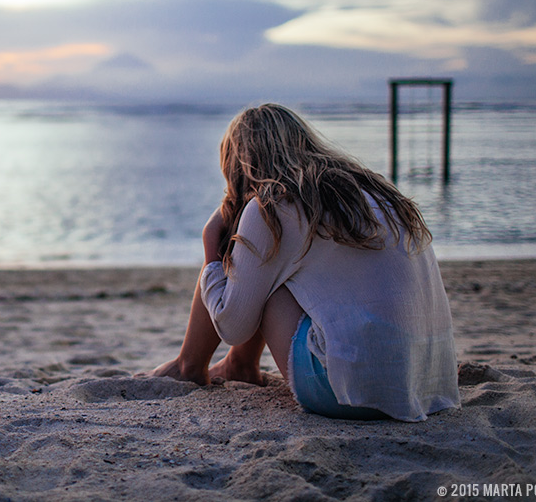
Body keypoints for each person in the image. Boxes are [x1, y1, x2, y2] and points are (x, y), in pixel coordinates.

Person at [145, 103, 460, 421]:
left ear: (237, 165)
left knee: (263, 273)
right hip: (425, 383)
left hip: (350, 394)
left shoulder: (272, 204)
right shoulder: (371, 190)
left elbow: (233, 327)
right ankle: (238, 365)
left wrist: (211, 247)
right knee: (271, 264)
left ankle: (191, 366)